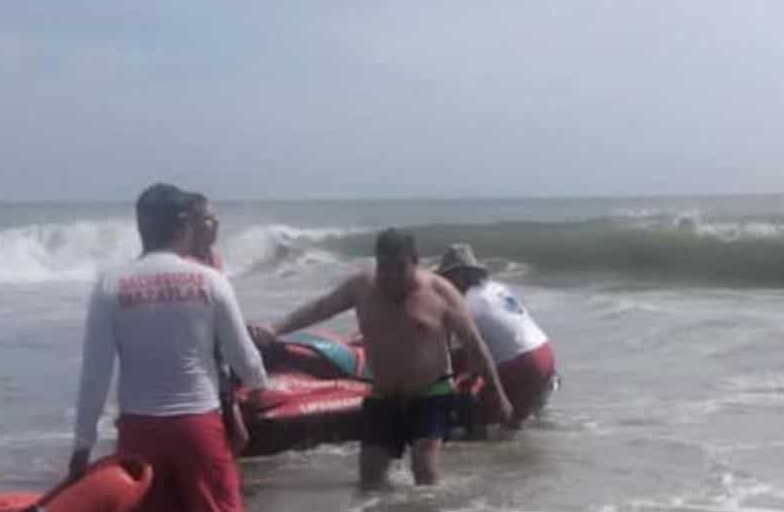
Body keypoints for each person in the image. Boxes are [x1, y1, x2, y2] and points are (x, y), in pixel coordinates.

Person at [71, 183, 268, 512]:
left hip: (139, 430)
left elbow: (94, 375)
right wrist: (258, 385)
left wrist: (81, 446)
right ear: (184, 225)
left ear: (140, 225)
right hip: (198, 423)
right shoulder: (209, 281)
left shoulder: (111, 285)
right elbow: (246, 361)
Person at [252, 228, 513, 489]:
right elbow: (320, 309)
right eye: (385, 268)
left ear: (415, 260)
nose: (392, 277)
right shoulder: (362, 287)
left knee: (424, 467)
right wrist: (276, 329)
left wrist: (498, 394)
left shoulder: (440, 292)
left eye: (400, 268)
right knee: (370, 475)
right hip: (383, 394)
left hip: (431, 392)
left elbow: (475, 345)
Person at [436, 243, 557, 425]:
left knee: (478, 417)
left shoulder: (464, 303)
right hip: (545, 353)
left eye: (447, 279)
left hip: (522, 363)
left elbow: (460, 356)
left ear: (459, 277)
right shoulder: (497, 288)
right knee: (517, 413)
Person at [185, 190, 254, 457]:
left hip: (218, 349)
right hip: (202, 356)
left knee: (237, 434)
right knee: (237, 436)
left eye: (215, 217)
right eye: (207, 219)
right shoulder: (185, 264)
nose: (216, 223)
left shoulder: (214, 257)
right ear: (188, 225)